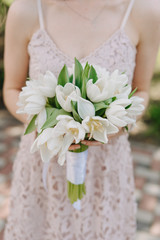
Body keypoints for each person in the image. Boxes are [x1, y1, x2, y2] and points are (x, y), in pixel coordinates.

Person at [3, 0, 160, 239]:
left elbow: (142, 91)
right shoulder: (26, 9)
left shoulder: (144, 10)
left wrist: (114, 125)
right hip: (45, 162)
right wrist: (52, 126)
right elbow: (12, 88)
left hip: (106, 168)